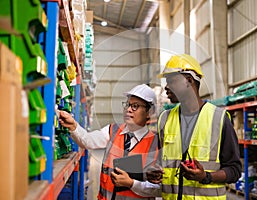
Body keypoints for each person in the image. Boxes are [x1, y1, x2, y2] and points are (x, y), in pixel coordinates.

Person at [147, 54, 242, 200]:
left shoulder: (218, 119)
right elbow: (156, 161)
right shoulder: (165, 119)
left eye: (172, 81)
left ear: (189, 81)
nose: (166, 87)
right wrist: (152, 170)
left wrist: (206, 176)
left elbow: (234, 170)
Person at [58, 84, 161, 200]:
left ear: (149, 112)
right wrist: (73, 126)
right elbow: (88, 141)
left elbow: (159, 189)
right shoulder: (113, 130)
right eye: (127, 104)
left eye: (135, 106)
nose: (128, 109)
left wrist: (132, 183)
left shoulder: (156, 144)